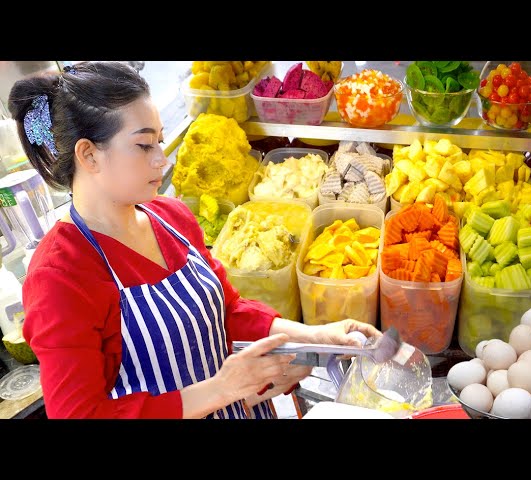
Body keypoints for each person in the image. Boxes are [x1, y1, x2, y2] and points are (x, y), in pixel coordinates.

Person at [8, 61, 381, 419]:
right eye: (143, 146)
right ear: (89, 154)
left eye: (160, 142)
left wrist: (315, 336)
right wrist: (220, 390)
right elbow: (80, 413)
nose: (162, 161)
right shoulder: (59, 276)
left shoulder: (171, 217)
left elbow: (226, 311)